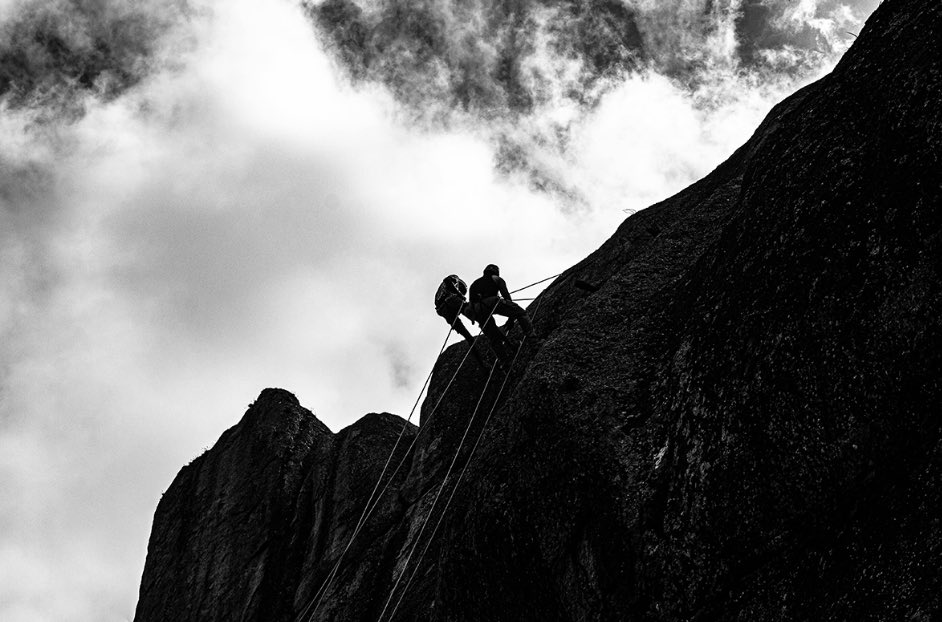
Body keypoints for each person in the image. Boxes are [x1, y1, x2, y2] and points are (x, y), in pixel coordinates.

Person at [468, 264, 531, 361]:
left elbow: (471, 305)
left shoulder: (474, 284)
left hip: (478, 309)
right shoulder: (496, 278)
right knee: (521, 313)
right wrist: (511, 319)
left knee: (493, 337)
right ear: (496, 271)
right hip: (492, 302)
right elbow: (506, 297)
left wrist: (477, 319)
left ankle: (504, 362)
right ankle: (533, 340)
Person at [434, 274, 485, 366]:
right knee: (469, 309)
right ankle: (481, 321)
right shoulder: (454, 279)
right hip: (450, 300)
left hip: (442, 309)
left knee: (468, 337)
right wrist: (459, 295)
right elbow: (447, 281)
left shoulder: (439, 293)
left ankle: (481, 364)